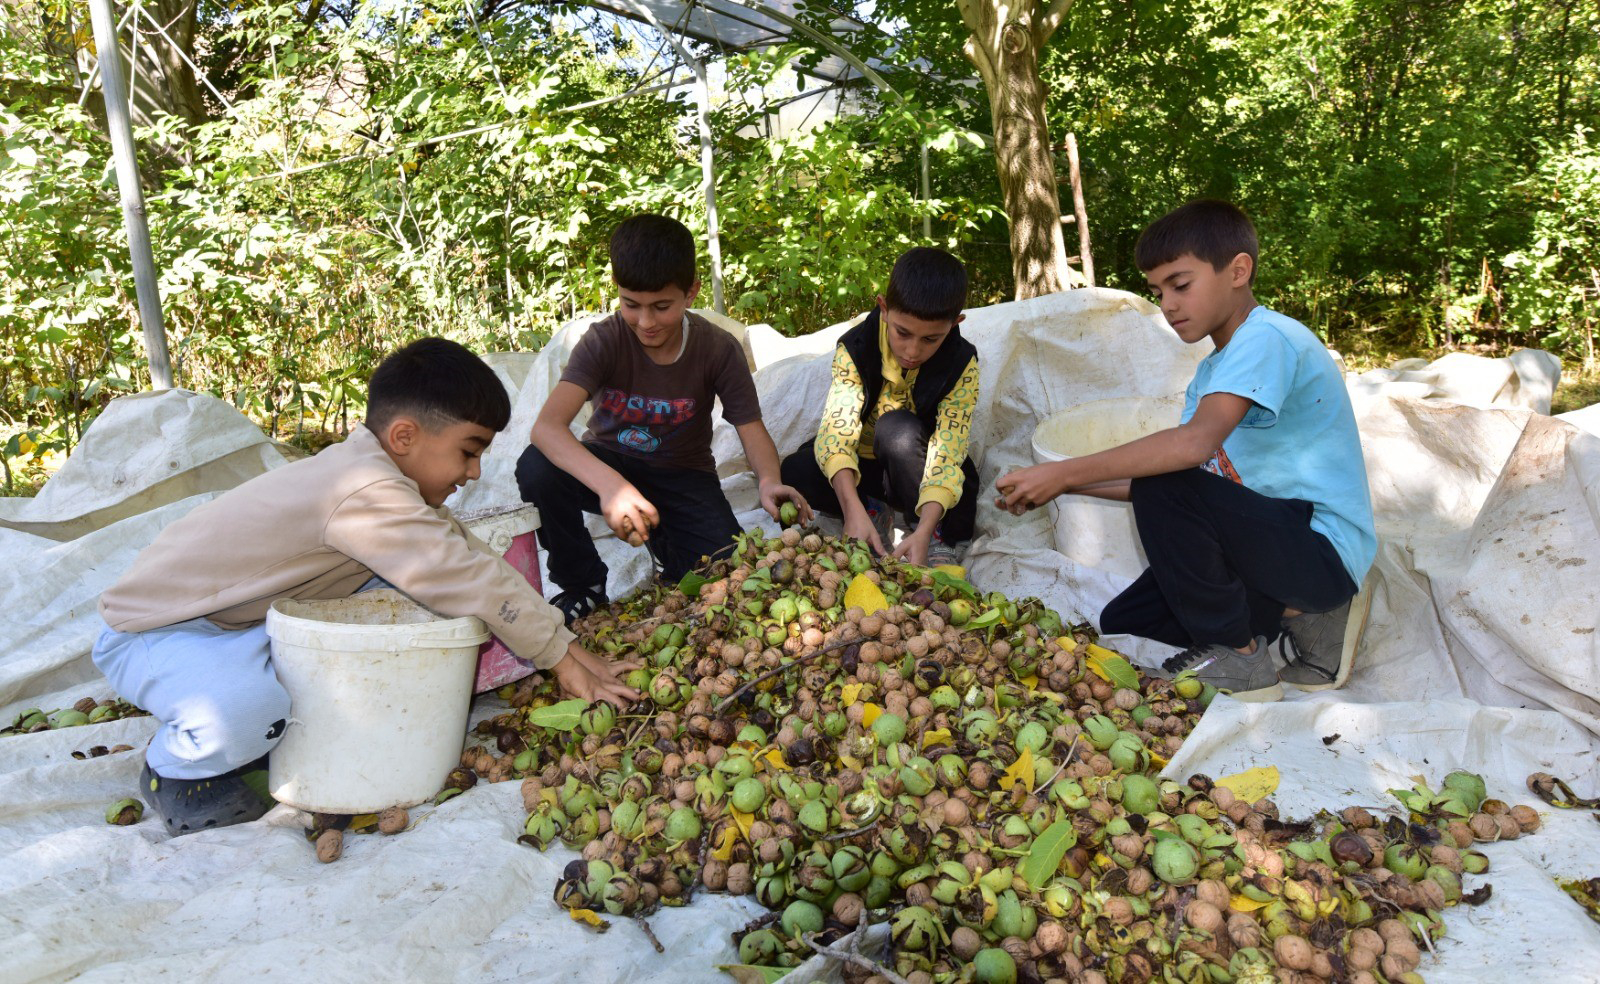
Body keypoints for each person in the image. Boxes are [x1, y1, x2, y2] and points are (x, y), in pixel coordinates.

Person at [93, 337, 639, 837]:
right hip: (158, 631)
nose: (473, 473)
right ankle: (173, 767)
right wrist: (562, 663)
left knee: (413, 594)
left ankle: (249, 720)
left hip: (248, 622)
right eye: (468, 451)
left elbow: (469, 556)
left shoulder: (384, 482)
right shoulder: (364, 489)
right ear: (404, 436)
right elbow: (464, 577)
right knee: (247, 714)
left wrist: (570, 651)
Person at [995, 200, 1376, 702]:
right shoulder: (1211, 375)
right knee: (1127, 618)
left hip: (1318, 550)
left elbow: (1189, 452)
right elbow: (1163, 484)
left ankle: (1243, 658)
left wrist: (1065, 473)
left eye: (1181, 284)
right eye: (1157, 292)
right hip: (1275, 545)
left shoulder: (1267, 337)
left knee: (1171, 491)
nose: (1167, 304)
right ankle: (1303, 615)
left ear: (1239, 270)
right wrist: (1058, 485)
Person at [517, 213, 810, 622]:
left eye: (661, 307)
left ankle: (667, 547)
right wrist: (612, 488)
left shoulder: (717, 349)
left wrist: (768, 480)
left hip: (683, 476)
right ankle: (582, 582)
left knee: (725, 576)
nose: (646, 322)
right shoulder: (604, 341)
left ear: (690, 292)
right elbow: (546, 428)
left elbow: (750, 426)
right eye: (631, 304)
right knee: (536, 466)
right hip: (610, 462)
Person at [779, 246, 980, 568]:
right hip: (867, 468)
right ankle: (871, 510)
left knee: (896, 429)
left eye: (931, 339)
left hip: (919, 469)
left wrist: (927, 530)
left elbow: (949, 449)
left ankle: (936, 531)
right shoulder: (855, 348)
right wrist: (851, 508)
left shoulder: (962, 363)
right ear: (884, 309)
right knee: (795, 469)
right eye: (903, 333)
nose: (913, 351)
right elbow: (837, 432)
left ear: (955, 323)